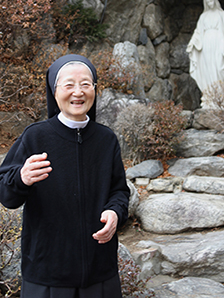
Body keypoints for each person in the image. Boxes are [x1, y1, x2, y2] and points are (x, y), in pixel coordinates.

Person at [0, 54, 130, 298]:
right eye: (69, 84)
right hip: (47, 275)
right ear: (54, 90)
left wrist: (115, 212)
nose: (78, 92)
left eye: (85, 84)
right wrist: (22, 178)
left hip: (100, 272)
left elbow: (119, 191)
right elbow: (6, 195)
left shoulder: (106, 140)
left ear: (94, 89)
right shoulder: (34, 137)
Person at [186, 0, 224, 99]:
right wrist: (192, 42)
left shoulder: (221, 14)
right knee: (207, 68)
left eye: (211, 1)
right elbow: (198, 31)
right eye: (207, 2)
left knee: (219, 67)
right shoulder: (203, 16)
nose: (210, 3)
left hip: (219, 42)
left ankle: (222, 94)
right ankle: (210, 96)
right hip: (206, 44)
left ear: (215, 0)